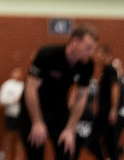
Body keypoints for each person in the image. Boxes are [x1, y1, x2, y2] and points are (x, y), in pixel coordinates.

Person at [22, 24, 98, 160]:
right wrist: (37, 122)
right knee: (35, 149)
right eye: (88, 48)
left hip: (59, 109)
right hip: (35, 108)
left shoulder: (87, 65)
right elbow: (30, 88)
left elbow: (81, 97)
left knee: (67, 149)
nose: (91, 53)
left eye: (93, 49)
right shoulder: (47, 54)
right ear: (74, 42)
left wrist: (70, 128)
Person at [0, 67, 26, 160]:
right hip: (10, 115)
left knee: (20, 139)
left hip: (21, 115)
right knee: (9, 138)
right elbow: (1, 100)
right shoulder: (7, 85)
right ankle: (6, 157)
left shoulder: (23, 85)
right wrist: (14, 100)